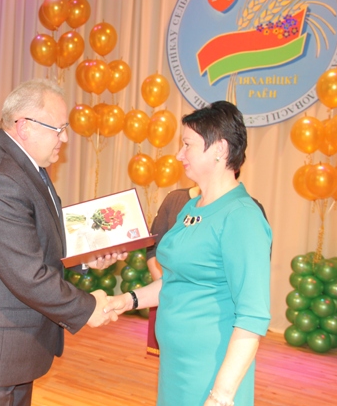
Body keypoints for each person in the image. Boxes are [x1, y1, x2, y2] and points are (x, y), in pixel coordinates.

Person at [0, 79, 124, 406]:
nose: (65, 138)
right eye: (59, 129)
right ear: (24, 126)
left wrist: (83, 256)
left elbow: (36, 236)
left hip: (12, 349)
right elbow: (28, 275)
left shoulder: (24, 164)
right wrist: (88, 308)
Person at [108, 101, 272, 406]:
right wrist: (127, 300)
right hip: (175, 367)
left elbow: (252, 316)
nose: (179, 155)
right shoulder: (191, 207)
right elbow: (176, 281)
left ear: (220, 149)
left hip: (211, 372)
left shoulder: (242, 217)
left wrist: (220, 396)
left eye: (187, 145)